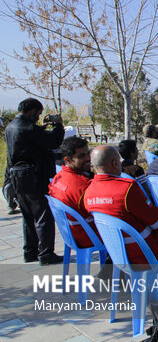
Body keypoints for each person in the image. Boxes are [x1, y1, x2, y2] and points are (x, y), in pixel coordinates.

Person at [84, 145, 158, 283]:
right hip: (144, 253)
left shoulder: (88, 191)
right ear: (114, 163)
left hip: (116, 252)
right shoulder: (127, 188)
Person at [5, 98, 64, 264]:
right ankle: (46, 254)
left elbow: (30, 141)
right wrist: (58, 125)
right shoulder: (28, 128)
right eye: (38, 114)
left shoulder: (12, 127)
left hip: (17, 176)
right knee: (42, 215)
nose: (38, 117)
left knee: (28, 215)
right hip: (33, 176)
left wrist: (41, 129)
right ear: (32, 111)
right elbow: (53, 142)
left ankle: (30, 252)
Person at [48, 136, 97, 248]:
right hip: (87, 235)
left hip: (70, 234)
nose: (88, 159)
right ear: (67, 160)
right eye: (81, 156)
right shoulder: (82, 185)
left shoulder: (58, 177)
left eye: (87, 154)